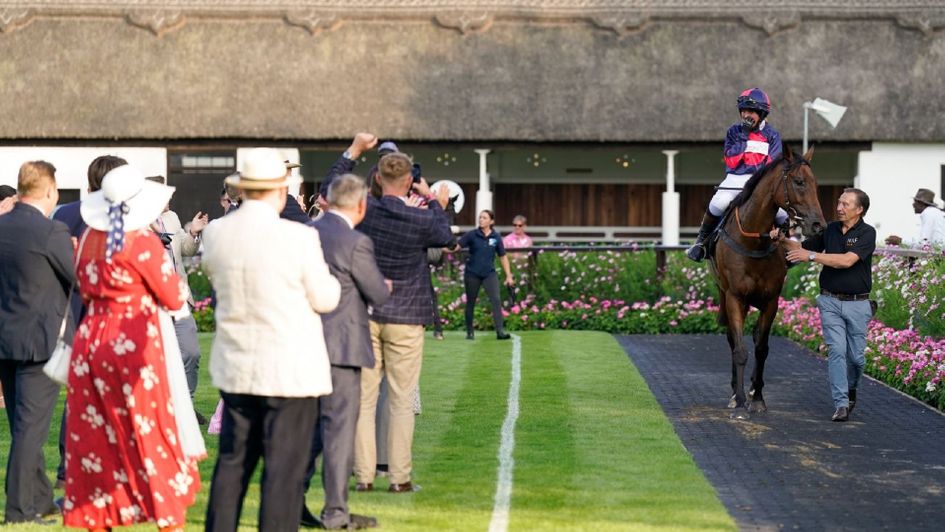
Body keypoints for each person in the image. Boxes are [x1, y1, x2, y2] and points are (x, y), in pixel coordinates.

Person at [202, 148, 340, 531]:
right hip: (288, 371)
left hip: (237, 367)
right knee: (283, 473)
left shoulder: (216, 233)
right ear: (280, 191)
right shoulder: (298, 237)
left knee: (232, 465)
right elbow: (325, 297)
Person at [63, 163, 204, 530]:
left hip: (91, 340)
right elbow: (174, 299)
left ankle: (99, 512)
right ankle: (163, 509)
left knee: (95, 432)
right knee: (147, 425)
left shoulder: (88, 239)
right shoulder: (141, 241)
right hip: (132, 339)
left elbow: (81, 285)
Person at [324, 133, 453, 494]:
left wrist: (353, 152)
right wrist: (434, 199)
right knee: (400, 399)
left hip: (367, 310)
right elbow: (445, 236)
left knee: (364, 400)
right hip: (408, 314)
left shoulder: (366, 211)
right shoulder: (422, 218)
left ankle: (363, 477)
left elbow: (332, 188)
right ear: (409, 181)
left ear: (378, 179)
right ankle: (399, 478)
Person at [301, 173, 391, 530]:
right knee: (338, 432)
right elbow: (377, 292)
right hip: (341, 345)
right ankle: (336, 512)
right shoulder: (356, 242)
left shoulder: (306, 232)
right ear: (361, 204)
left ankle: (291, 499)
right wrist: (384, 286)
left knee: (308, 431)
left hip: (304, 341)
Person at [0, 161, 74, 524]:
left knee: (21, 424)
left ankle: (42, 498)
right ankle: (18, 508)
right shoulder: (51, 231)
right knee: (30, 430)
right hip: (40, 341)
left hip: (5, 339)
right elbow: (76, 276)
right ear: (49, 191)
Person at [51, 154, 129, 490]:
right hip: (114, 316)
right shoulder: (127, 217)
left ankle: (69, 465)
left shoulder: (65, 214)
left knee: (77, 394)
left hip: (73, 311)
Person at [784, 188, 876, 422]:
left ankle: (851, 389)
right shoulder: (830, 229)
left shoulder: (867, 233)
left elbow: (846, 261)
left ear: (859, 209)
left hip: (858, 304)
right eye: (839, 203)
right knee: (836, 351)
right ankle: (841, 403)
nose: (839, 207)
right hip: (830, 301)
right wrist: (780, 238)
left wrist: (812, 257)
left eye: (845, 204)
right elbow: (802, 250)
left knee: (857, 359)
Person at [687, 88, 784, 262]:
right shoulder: (734, 132)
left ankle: (788, 246)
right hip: (735, 179)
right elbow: (731, 161)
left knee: (783, 214)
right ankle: (701, 243)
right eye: (744, 111)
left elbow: (772, 165)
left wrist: (759, 182)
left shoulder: (772, 135)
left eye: (751, 111)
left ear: (762, 113)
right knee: (718, 203)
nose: (746, 115)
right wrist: (744, 137)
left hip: (761, 182)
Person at [145, 175, 210, 421]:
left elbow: (185, 249)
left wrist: (193, 232)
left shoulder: (171, 218)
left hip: (179, 299)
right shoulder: (137, 223)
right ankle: (158, 410)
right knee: (156, 359)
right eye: (166, 197)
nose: (170, 201)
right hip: (151, 303)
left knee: (191, 352)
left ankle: (186, 406)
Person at [457, 210, 514, 340]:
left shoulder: (496, 237)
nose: (481, 219)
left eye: (484, 217)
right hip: (472, 273)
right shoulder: (472, 235)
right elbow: (457, 246)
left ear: (491, 221)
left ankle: (500, 332)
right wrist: (443, 246)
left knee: (496, 300)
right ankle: (470, 332)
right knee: (470, 302)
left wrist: (509, 275)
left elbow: (503, 257)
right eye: (480, 217)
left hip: (489, 273)